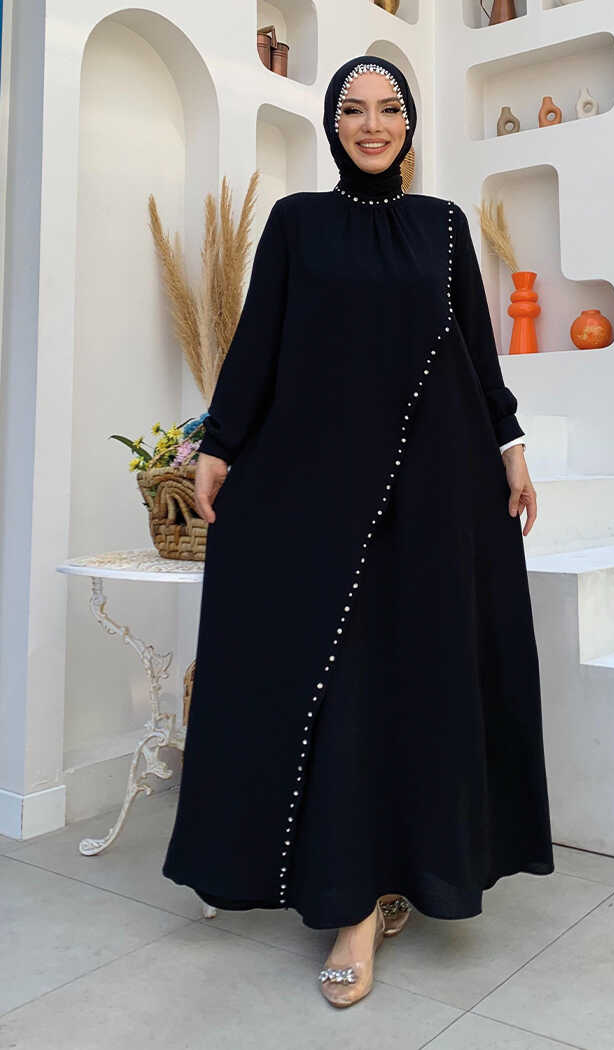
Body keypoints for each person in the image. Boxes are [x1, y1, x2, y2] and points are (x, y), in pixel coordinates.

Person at [162, 55, 555, 1009]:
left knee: (412, 680)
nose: (371, 125)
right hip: (315, 489)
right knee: (337, 687)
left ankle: (397, 880)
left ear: (409, 124)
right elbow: (259, 340)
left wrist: (510, 447)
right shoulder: (297, 221)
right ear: (333, 124)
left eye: (388, 110)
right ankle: (347, 900)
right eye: (353, 109)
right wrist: (219, 444)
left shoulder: (443, 226)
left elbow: (476, 350)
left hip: (433, 491)